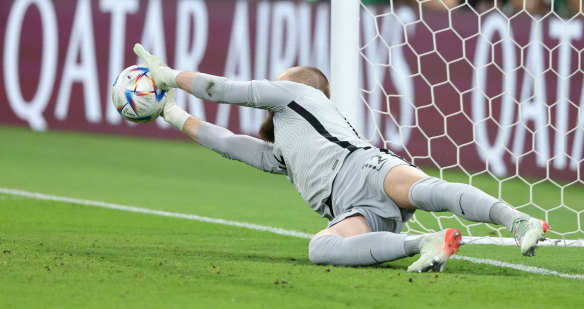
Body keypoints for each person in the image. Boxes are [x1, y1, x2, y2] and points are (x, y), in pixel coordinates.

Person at [132, 43, 550, 272]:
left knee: (432, 193)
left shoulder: (300, 93)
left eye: (277, 81)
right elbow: (226, 142)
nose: (270, 88)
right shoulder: (284, 153)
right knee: (321, 248)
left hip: (364, 167)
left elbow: (224, 89)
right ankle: (422, 242)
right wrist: (171, 113)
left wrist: (170, 77)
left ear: (297, 84)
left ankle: (519, 220)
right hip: (350, 209)